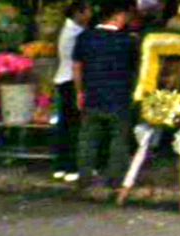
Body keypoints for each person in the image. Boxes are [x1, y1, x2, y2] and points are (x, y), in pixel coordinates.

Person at [73, 0, 139, 188]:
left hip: (92, 94)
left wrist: (79, 92)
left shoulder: (85, 37)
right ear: (119, 16)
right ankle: (115, 178)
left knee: (88, 138)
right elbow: (135, 69)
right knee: (118, 139)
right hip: (119, 95)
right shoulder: (127, 41)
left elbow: (77, 67)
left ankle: (84, 176)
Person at [53, 0, 93, 182]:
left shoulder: (68, 29)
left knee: (65, 124)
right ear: (78, 13)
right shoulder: (75, 33)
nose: (90, 14)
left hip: (64, 79)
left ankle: (61, 166)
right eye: (87, 11)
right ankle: (71, 166)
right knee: (74, 125)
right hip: (71, 81)